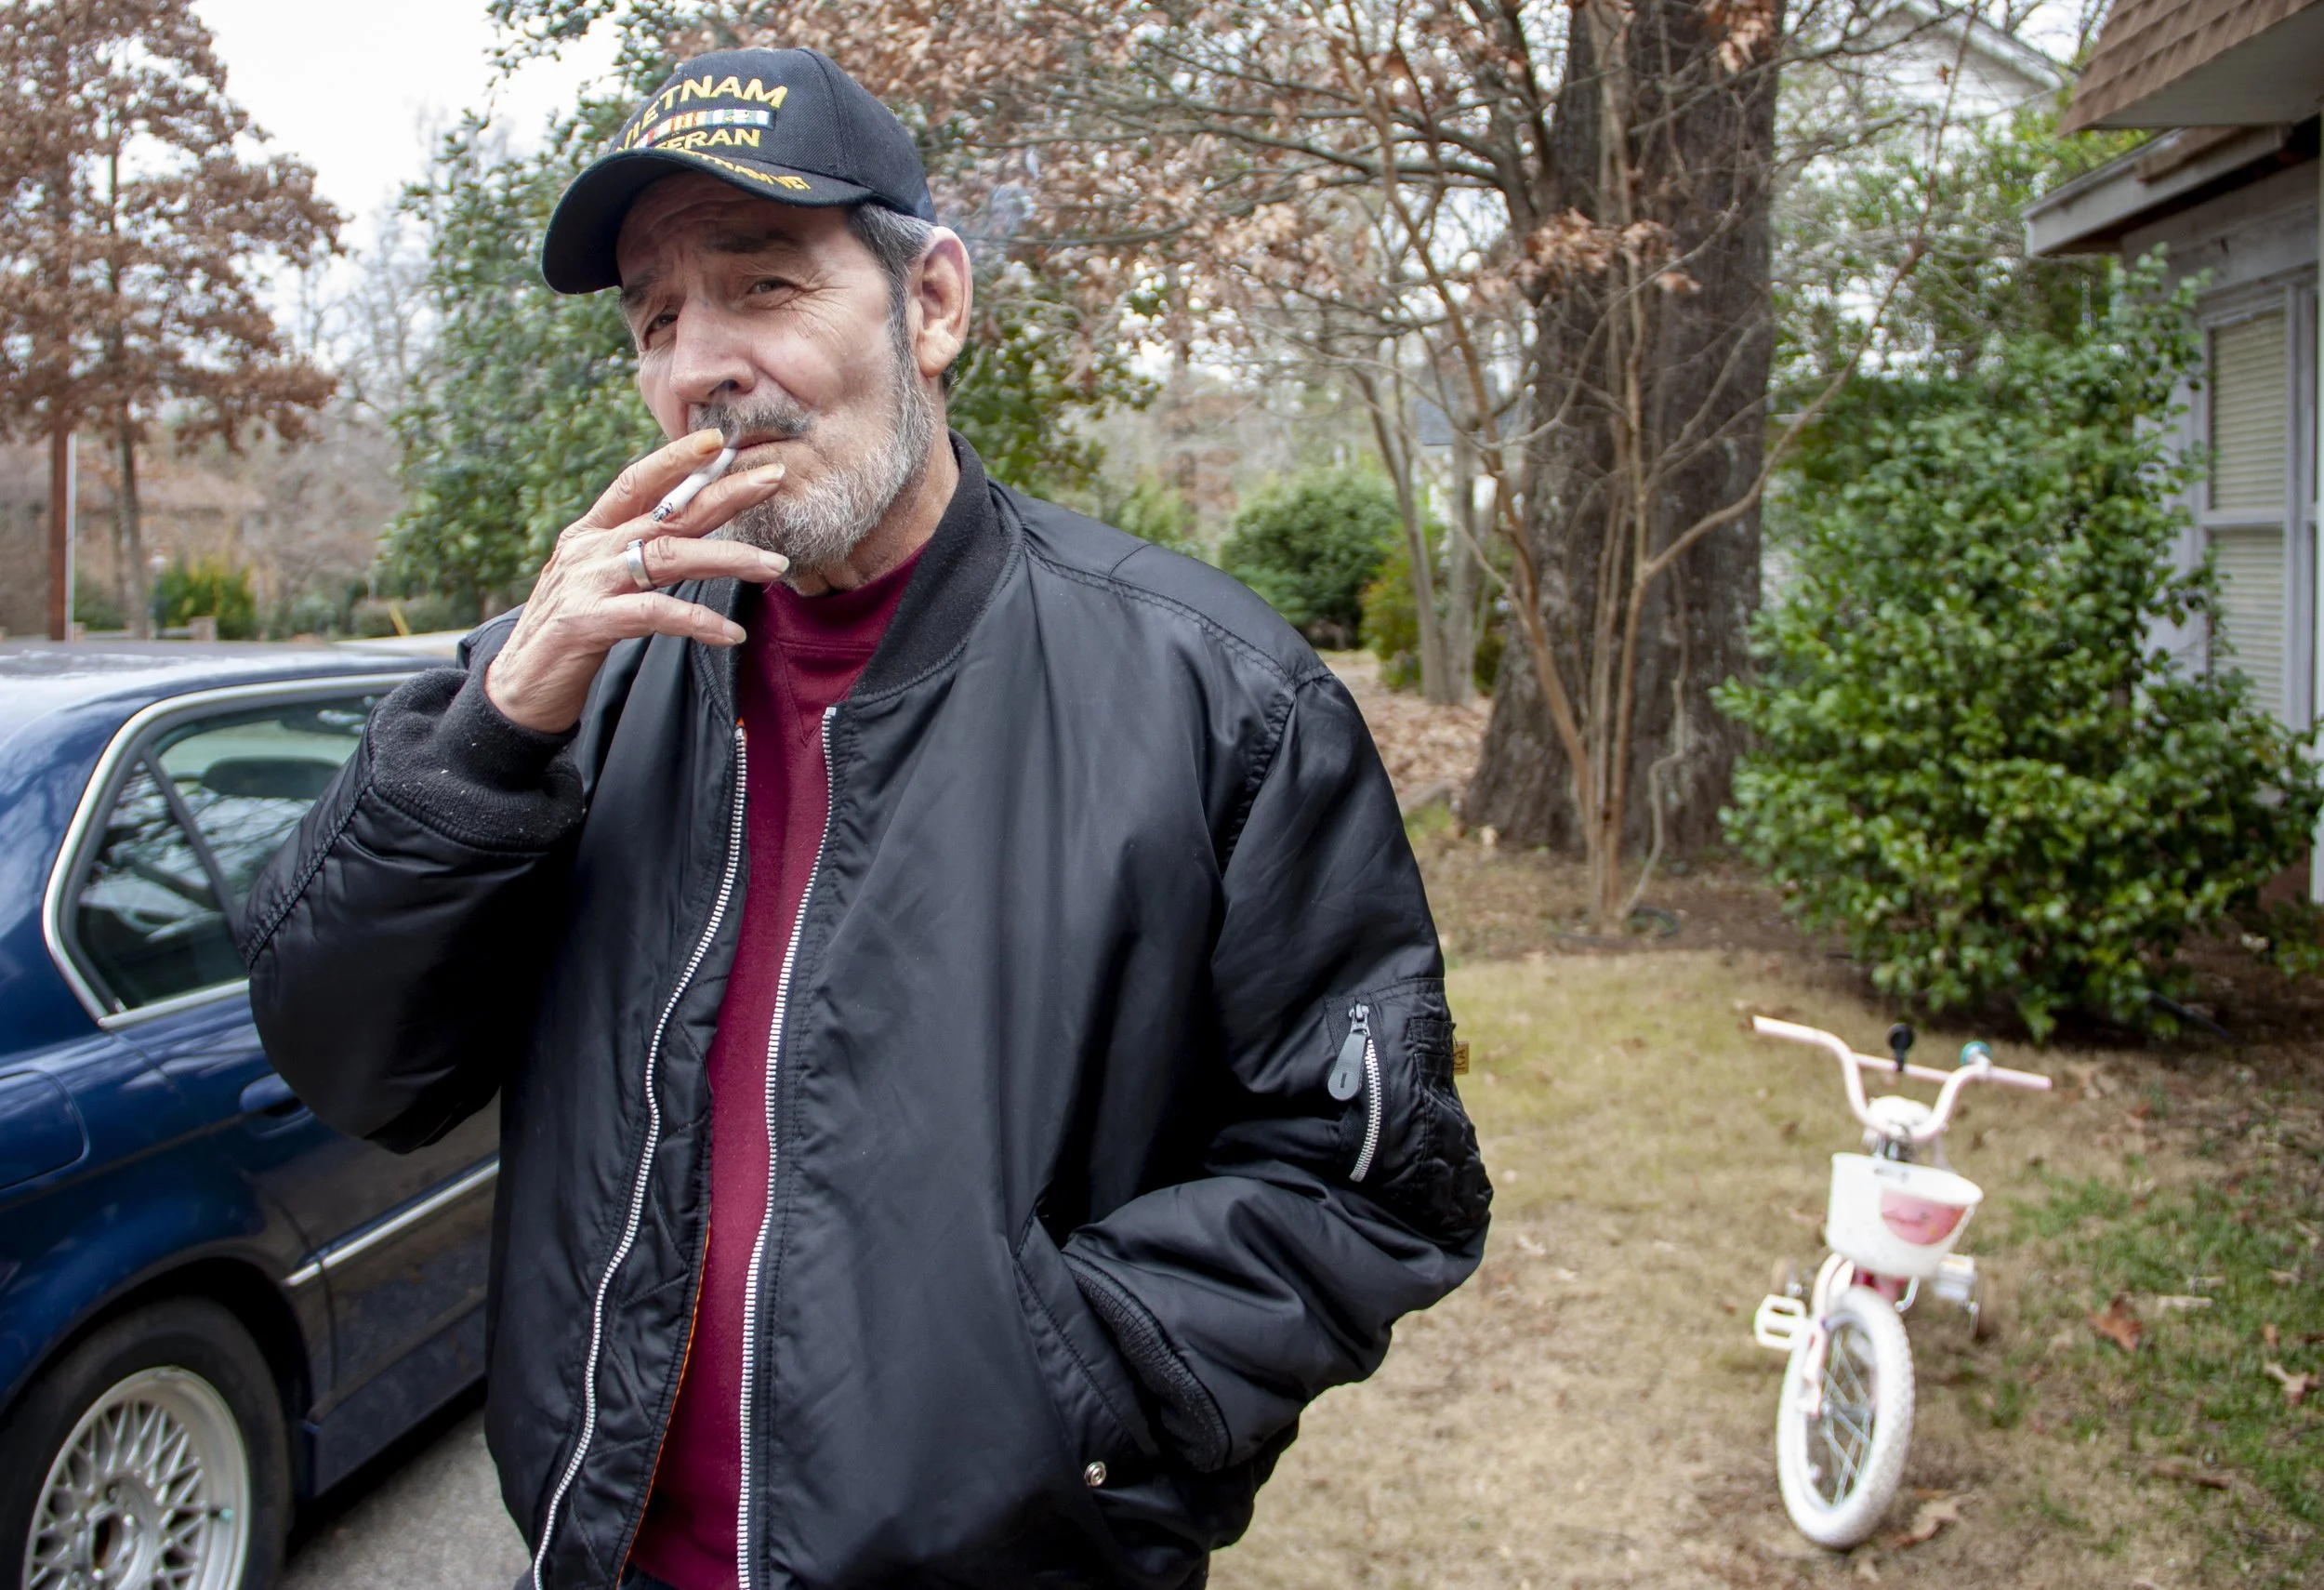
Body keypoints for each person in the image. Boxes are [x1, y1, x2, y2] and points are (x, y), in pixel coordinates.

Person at [244, 45, 1488, 1590]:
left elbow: (1366, 1170)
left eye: (763, 284)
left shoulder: (1215, 696)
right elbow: (349, 1060)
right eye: (655, 319)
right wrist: (494, 734)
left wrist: (1050, 1398)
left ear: (934, 305)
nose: (701, 364)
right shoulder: (573, 687)